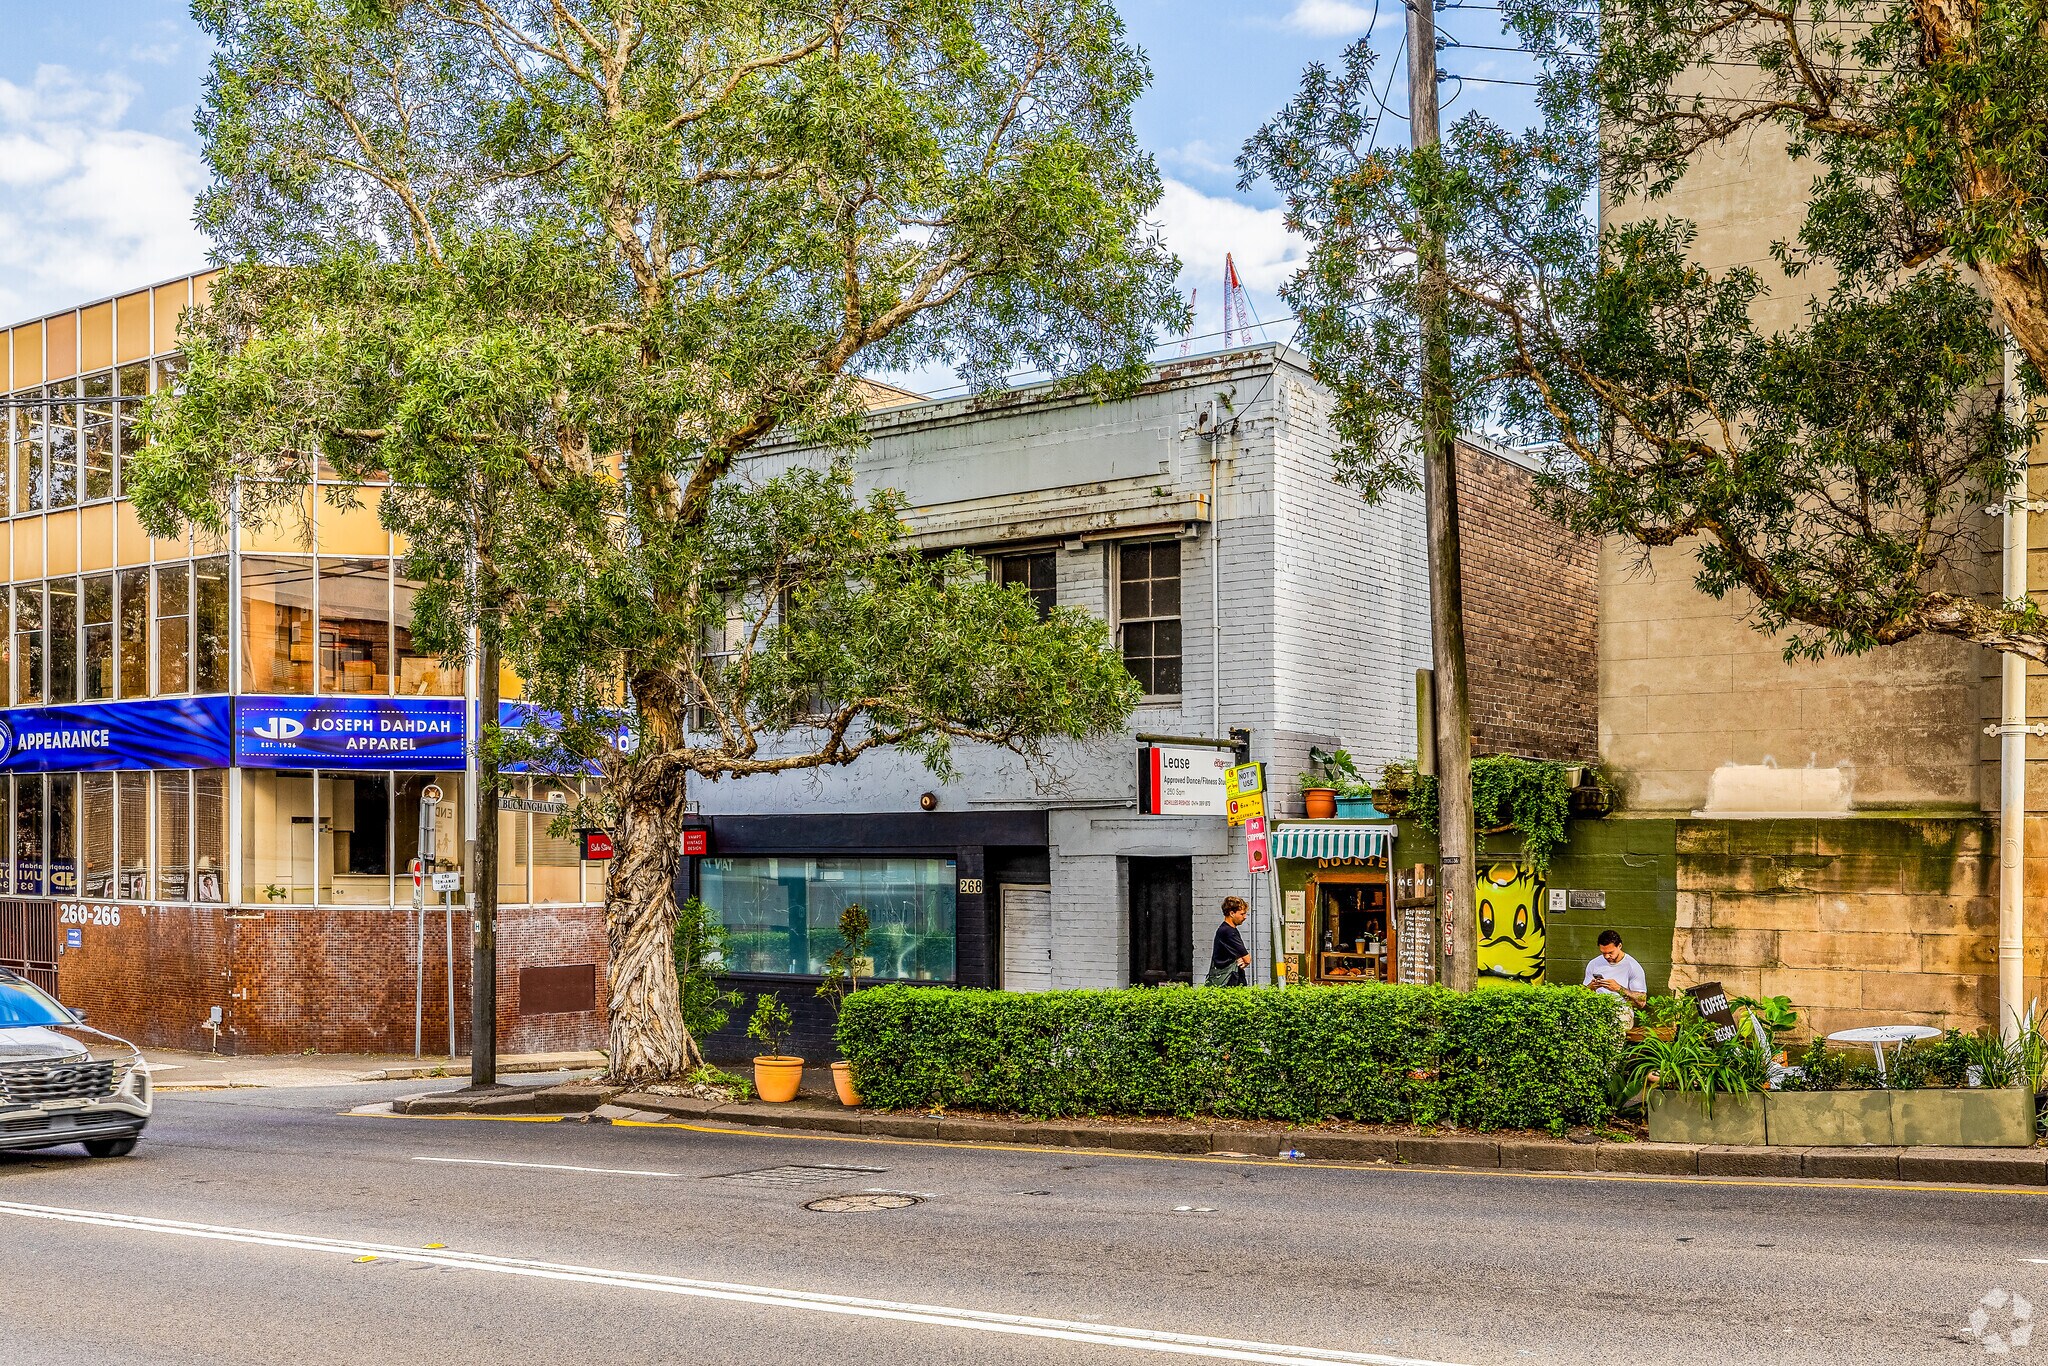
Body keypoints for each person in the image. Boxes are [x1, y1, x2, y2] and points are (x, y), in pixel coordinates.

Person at [1584, 930, 1647, 1008]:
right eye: (1603, 953)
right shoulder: (1594, 963)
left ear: (1619, 946)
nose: (1607, 956)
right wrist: (1591, 987)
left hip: (1621, 1011)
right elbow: (1582, 995)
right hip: (1597, 1009)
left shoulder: (1632, 966)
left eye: (1610, 953)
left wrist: (1618, 988)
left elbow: (1642, 1002)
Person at [1206, 896, 1251, 987]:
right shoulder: (1229, 932)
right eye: (1242, 914)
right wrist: (1241, 959)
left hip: (1228, 978)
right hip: (1229, 980)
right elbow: (1247, 959)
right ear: (1232, 913)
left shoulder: (1225, 929)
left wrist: (1239, 959)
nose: (1245, 917)